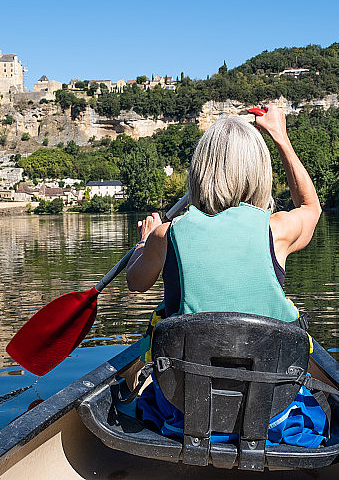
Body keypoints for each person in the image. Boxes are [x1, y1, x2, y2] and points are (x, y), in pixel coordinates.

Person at [125, 104, 326, 447]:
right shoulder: (276, 231)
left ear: (200, 172)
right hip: (271, 410)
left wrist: (145, 241)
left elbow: (136, 282)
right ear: (259, 173)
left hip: (184, 409)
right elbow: (311, 207)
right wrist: (281, 137)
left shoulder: (167, 235)